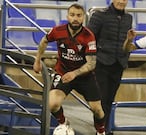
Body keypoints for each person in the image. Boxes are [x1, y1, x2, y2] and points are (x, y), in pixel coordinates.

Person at [33, 3, 106, 135]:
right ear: (67, 16)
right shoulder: (57, 31)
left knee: (97, 109)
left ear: (83, 17)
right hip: (62, 72)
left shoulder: (88, 36)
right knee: (52, 104)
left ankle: (101, 132)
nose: (75, 18)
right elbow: (44, 41)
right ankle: (63, 123)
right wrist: (37, 60)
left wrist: (75, 73)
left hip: (84, 76)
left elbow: (91, 64)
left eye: (79, 15)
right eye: (72, 15)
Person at [87, 0, 132, 134]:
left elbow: (127, 40)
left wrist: (125, 58)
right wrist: (92, 60)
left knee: (109, 100)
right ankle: (101, 131)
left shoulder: (129, 18)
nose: (121, 1)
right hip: (101, 64)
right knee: (102, 100)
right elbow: (88, 38)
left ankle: (103, 130)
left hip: (118, 65)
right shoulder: (99, 15)